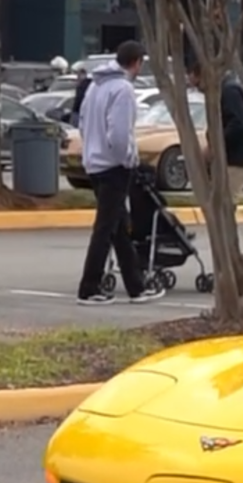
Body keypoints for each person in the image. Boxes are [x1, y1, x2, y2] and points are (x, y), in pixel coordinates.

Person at [76, 41, 162, 305]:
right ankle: (89, 287)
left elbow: (81, 123)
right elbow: (120, 134)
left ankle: (136, 286)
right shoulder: (122, 90)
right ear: (137, 62)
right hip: (114, 166)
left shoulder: (95, 86)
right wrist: (128, 159)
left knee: (118, 227)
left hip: (94, 164)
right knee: (105, 227)